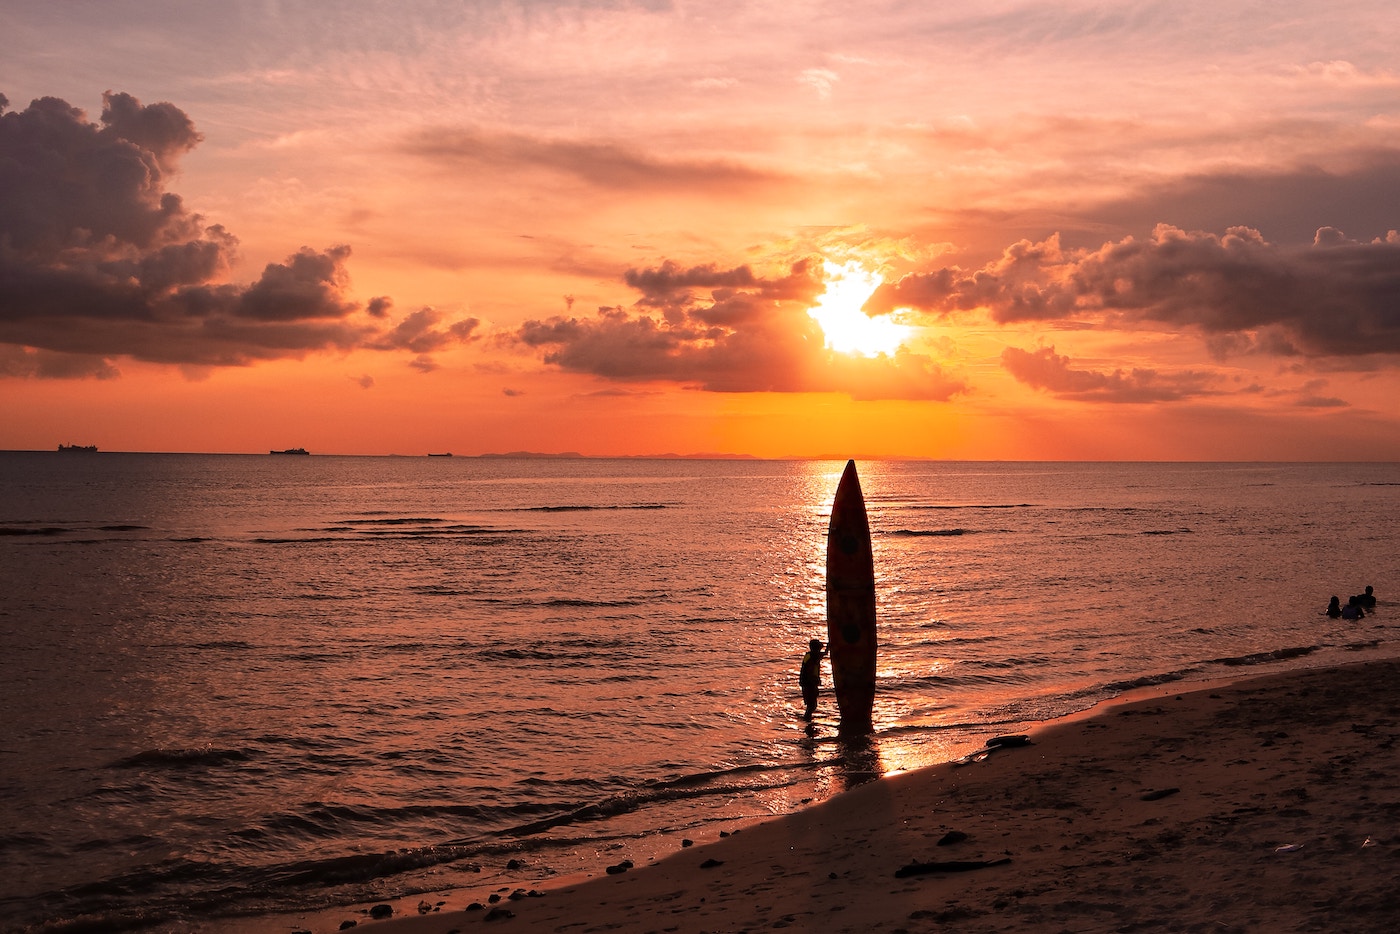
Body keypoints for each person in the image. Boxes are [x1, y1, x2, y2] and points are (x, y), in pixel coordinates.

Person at [799, 638, 827, 720]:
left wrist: (828, 648)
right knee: (812, 705)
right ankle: (807, 720)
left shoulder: (810, 655)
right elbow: (809, 671)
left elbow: (823, 654)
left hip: (807, 683)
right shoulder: (812, 658)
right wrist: (814, 681)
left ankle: (807, 719)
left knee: (811, 705)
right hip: (809, 683)